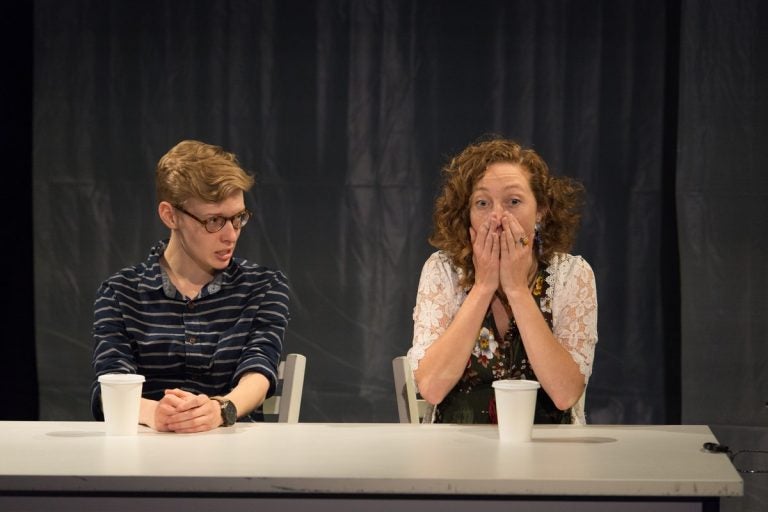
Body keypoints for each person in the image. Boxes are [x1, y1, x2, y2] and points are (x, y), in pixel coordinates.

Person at [90, 140, 290, 433]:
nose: (230, 235)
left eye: (238, 218)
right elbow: (111, 385)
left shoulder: (263, 287)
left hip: (235, 456)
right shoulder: (120, 294)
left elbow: (259, 369)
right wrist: (157, 413)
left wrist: (221, 409)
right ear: (170, 216)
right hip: (144, 456)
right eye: (214, 221)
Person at [408, 137, 597, 424]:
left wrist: (517, 289)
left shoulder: (571, 274)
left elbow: (565, 394)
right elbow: (432, 388)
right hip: (457, 455)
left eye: (513, 201)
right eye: (482, 203)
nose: (497, 216)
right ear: (468, 215)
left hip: (548, 455)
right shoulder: (443, 270)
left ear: (541, 212)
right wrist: (483, 286)